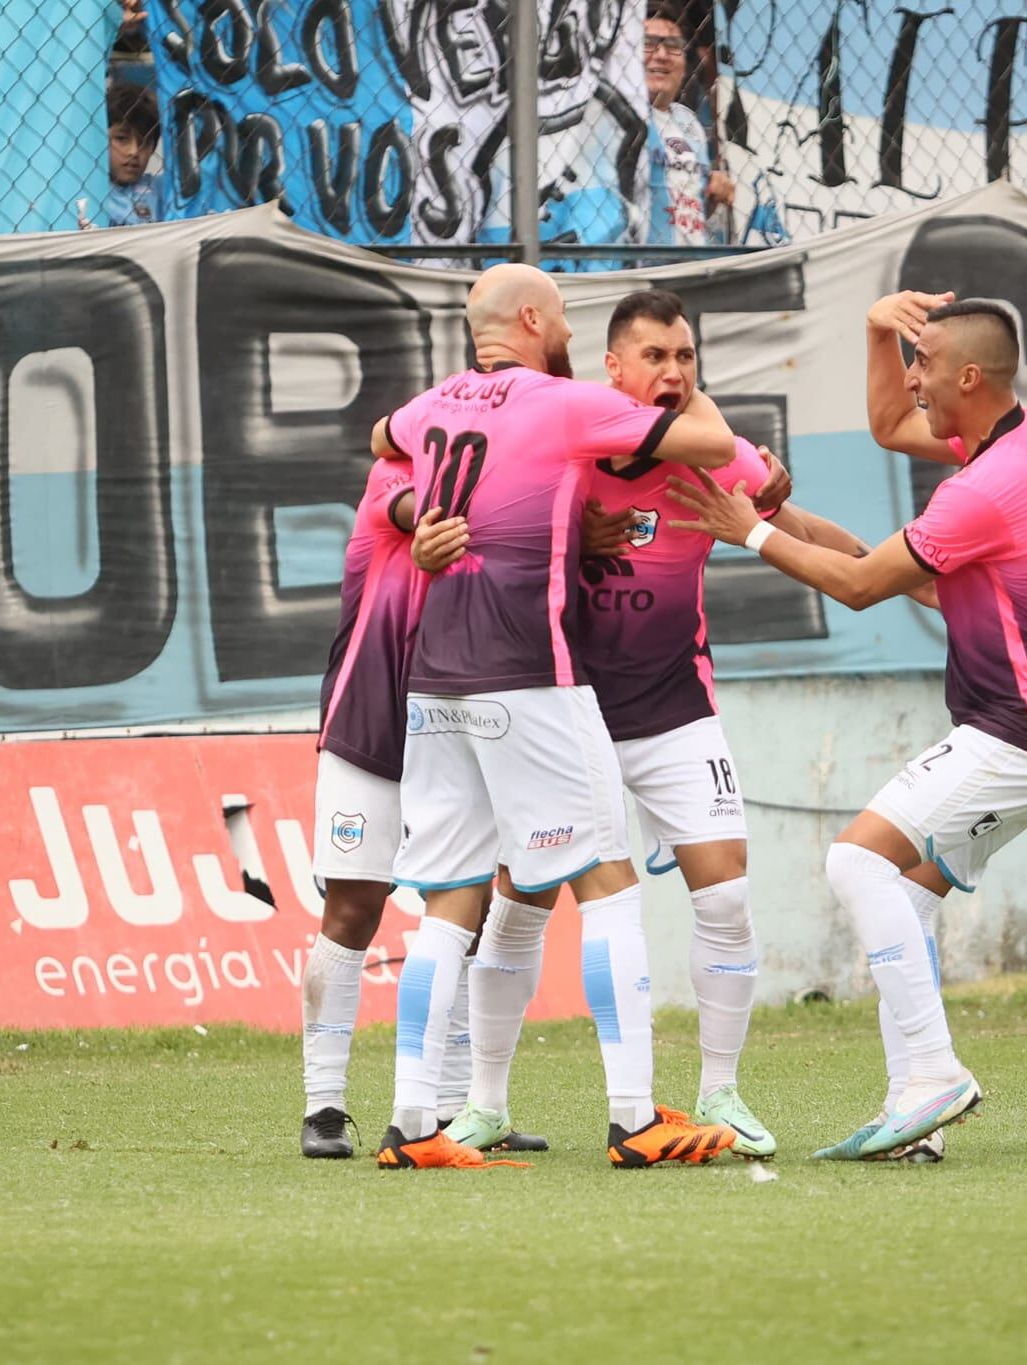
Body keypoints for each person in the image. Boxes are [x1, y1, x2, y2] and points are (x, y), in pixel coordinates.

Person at [411, 289, 869, 1160]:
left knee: (726, 889)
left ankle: (721, 1092)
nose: (672, 371)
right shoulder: (558, 451)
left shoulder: (708, 465)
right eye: (653, 357)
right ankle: (485, 1105)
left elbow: (798, 526)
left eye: (686, 357)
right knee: (519, 900)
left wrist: (915, 574)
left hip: (670, 703)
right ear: (611, 369)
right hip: (561, 703)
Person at [666, 291, 1027, 1162]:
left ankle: (935, 1073)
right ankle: (915, 1112)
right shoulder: (1026, 433)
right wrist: (874, 327)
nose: (912, 379)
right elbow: (893, 423)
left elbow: (864, 584)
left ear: (969, 376)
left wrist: (749, 531)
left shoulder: (987, 486)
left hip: (1021, 730)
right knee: (901, 894)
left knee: (855, 858)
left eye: (924, 362)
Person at [370, 263, 744, 1170]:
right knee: (610, 886)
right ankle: (632, 1115)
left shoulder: (432, 405)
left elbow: (380, 438)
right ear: (533, 319)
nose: (570, 330)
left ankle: (413, 1121)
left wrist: (421, 507)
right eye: (567, 316)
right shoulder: (560, 402)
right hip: (530, 676)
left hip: (436, 683)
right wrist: (683, 384)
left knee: (449, 902)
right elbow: (709, 440)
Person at [297, 453, 549, 1158]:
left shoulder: (509, 485)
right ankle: (323, 1104)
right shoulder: (392, 474)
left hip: (457, 729)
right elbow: (419, 515)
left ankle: (452, 1108)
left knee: (461, 911)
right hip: (368, 728)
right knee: (353, 908)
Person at [638, 4, 735, 250]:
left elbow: (690, 196)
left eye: (672, 46)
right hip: (638, 266)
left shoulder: (689, 123)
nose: (661, 54)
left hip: (689, 264)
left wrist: (713, 187)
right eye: (648, 43)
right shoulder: (615, 119)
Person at [84, 84, 167, 230]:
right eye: (122, 139)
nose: (134, 151)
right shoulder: (86, 193)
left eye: (144, 142)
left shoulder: (162, 190)